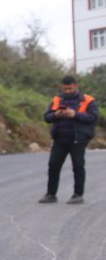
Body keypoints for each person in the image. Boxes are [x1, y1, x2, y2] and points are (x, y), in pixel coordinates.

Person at [39, 75, 98, 204]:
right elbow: (47, 117)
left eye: (70, 89)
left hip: (78, 139)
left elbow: (93, 118)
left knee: (78, 166)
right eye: (65, 89)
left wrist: (75, 114)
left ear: (76, 86)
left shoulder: (88, 100)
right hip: (60, 139)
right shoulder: (57, 100)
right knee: (53, 166)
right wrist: (56, 114)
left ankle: (78, 195)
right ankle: (51, 194)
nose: (67, 91)